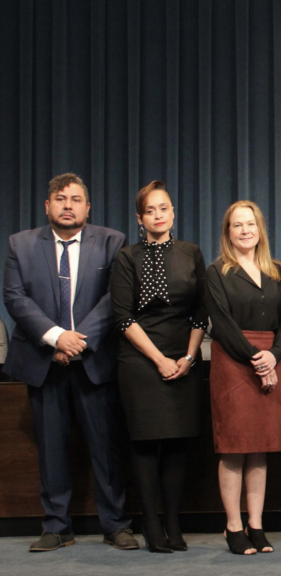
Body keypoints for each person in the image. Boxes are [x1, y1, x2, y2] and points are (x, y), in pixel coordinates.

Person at [2, 173, 137, 552]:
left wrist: (77, 341)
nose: (67, 205)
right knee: (51, 448)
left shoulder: (112, 242)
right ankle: (57, 525)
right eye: (60, 198)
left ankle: (116, 523)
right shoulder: (21, 244)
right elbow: (15, 298)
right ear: (47, 206)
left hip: (94, 361)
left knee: (106, 447)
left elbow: (115, 299)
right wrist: (55, 336)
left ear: (87, 207)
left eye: (76, 199)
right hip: (44, 362)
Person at [110, 180, 207, 553]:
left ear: (173, 213)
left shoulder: (190, 252)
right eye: (150, 210)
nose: (157, 215)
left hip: (184, 356)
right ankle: (150, 523)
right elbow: (122, 316)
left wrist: (188, 357)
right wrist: (159, 359)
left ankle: (173, 522)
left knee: (178, 444)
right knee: (147, 444)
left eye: (163, 208)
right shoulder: (127, 257)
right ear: (140, 218)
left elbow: (201, 311)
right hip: (140, 359)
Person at [207, 200, 281, 555]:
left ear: (260, 230)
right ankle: (233, 526)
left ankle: (256, 525)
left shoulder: (275, 270)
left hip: (270, 358)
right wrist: (257, 360)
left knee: (260, 449)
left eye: (250, 224)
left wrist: (273, 356)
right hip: (234, 361)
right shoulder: (217, 271)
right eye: (237, 225)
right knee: (234, 448)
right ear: (228, 233)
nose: (245, 230)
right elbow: (221, 324)